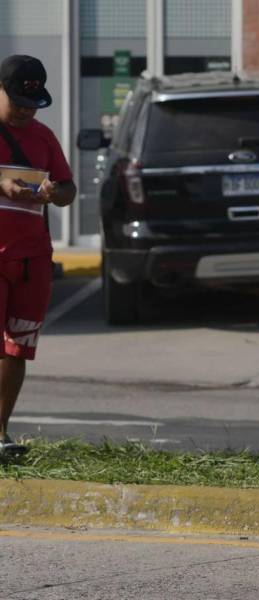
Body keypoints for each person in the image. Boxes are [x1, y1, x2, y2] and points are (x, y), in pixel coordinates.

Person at [0, 55, 76, 454]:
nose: (27, 110)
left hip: (31, 259)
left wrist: (54, 193)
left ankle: (0, 433)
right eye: (18, 102)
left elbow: (68, 190)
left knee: (17, 349)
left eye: (33, 103)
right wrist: (3, 182)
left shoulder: (44, 137)